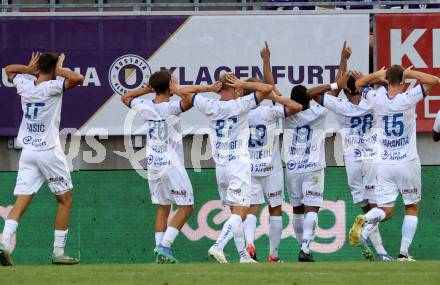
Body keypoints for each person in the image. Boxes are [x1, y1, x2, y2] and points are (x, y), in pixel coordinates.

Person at [121, 70, 220, 264]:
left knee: (162, 207)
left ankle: (160, 254)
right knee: (187, 206)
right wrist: (180, 89)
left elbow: (125, 97)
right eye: (173, 82)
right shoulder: (172, 108)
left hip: (153, 164)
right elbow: (190, 99)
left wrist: (147, 89)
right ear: (169, 87)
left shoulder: (145, 106)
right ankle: (164, 245)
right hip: (171, 164)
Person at [309, 42, 392, 261]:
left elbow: (312, 93)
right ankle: (371, 240)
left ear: (347, 90)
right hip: (372, 160)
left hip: (352, 163)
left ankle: (381, 253)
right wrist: (372, 78)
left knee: (366, 208)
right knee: (377, 209)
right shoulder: (373, 102)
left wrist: (342, 64)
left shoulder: (340, 106)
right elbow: (388, 83)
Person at [0, 52, 84, 266]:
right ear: (54, 69)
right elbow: (78, 79)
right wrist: (60, 69)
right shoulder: (53, 87)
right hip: (49, 151)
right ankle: (58, 253)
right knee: (65, 201)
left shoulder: (24, 85)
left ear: (38, 66)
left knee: (20, 202)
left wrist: (28, 70)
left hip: (28, 151)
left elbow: (8, 69)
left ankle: (3, 242)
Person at [180, 73, 272, 263]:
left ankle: (243, 255)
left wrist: (208, 89)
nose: (239, 90)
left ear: (220, 88)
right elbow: (268, 88)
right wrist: (244, 84)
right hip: (238, 164)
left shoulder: (209, 104)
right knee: (242, 211)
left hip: (220, 166)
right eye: (236, 87)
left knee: (234, 212)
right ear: (234, 88)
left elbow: (181, 91)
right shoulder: (241, 104)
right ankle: (218, 246)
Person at [349, 65, 439, 261]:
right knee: (412, 207)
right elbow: (434, 80)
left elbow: (358, 84)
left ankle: (366, 219)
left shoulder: (377, 98)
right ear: (404, 81)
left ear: (387, 80)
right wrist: (409, 73)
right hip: (407, 161)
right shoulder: (408, 98)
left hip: (384, 164)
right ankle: (403, 254)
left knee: (386, 211)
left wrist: (377, 76)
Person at [283, 53, 349, 262]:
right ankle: (305, 248)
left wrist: (266, 61)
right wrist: (343, 60)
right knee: (312, 207)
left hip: (292, 168)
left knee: (297, 209)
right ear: (309, 99)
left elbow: (271, 90)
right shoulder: (318, 112)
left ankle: (303, 248)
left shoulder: (285, 114)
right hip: (313, 167)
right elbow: (337, 88)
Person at [243, 42, 303, 262]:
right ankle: (273, 256)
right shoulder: (269, 111)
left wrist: (265, 61)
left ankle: (249, 246)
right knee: (275, 209)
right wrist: (272, 96)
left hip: (249, 167)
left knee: (251, 208)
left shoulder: (238, 112)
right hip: (270, 167)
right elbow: (296, 106)